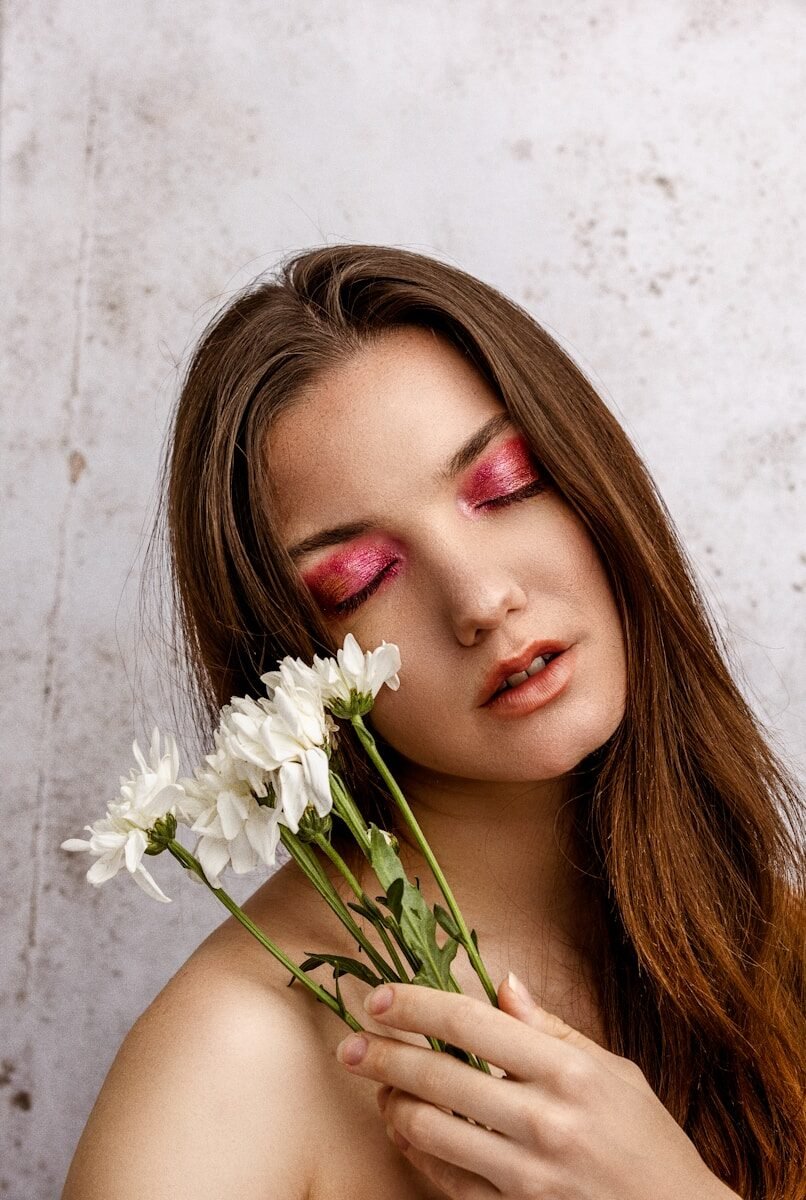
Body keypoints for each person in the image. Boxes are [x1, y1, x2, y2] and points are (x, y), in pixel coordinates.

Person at [62, 244, 804, 1200]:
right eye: (361, 579)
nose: (483, 598)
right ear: (293, 669)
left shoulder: (752, 930)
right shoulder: (234, 1062)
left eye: (504, 487)